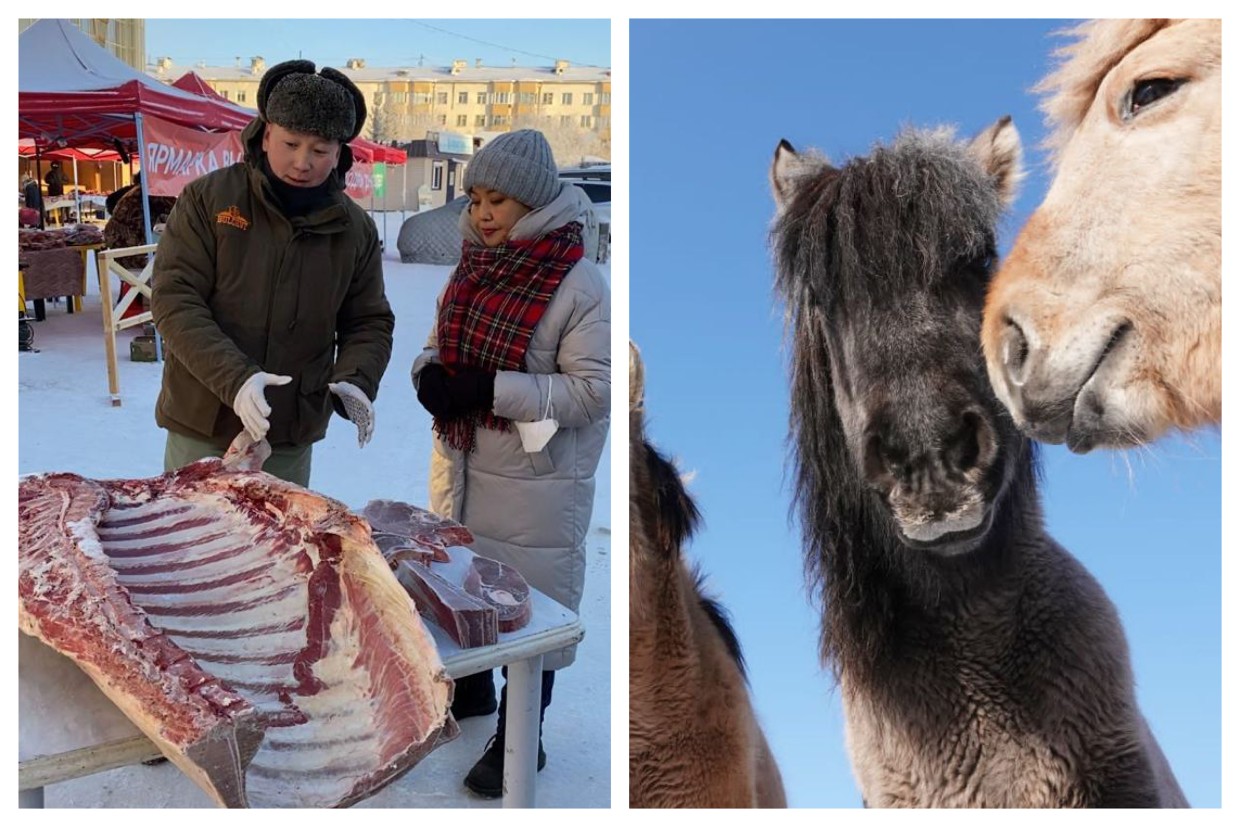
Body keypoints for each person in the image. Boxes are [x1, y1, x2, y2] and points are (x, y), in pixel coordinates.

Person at [411, 129, 611, 798]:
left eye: (498, 198)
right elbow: (436, 344)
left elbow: (593, 391)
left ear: (532, 201)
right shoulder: (472, 264)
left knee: (535, 608)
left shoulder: (579, 281)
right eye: (475, 197)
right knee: (461, 580)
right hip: (465, 464)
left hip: (538, 484)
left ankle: (524, 733)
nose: (483, 212)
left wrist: (488, 388)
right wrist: (428, 377)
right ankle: (469, 690)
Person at [150, 59, 393, 487]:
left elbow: (368, 320)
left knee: (278, 543)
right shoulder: (209, 200)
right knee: (191, 543)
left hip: (288, 429)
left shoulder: (353, 228)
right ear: (266, 136)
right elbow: (175, 299)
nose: (303, 162)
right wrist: (236, 379)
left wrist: (357, 377)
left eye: (319, 150)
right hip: (201, 421)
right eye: (290, 143)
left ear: (339, 153)